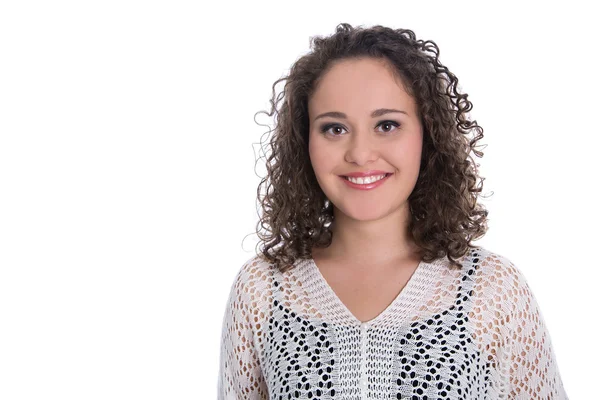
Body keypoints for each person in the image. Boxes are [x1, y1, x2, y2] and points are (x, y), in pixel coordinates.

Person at [217, 23, 568, 399]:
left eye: (387, 125)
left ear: (427, 135)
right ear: (305, 141)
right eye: (334, 129)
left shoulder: (492, 289)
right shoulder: (263, 290)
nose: (360, 153)